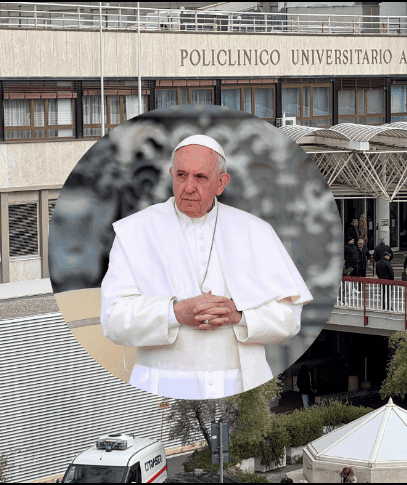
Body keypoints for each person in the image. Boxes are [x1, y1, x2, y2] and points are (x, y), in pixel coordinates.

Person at [101, 134, 312, 399]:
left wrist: (238, 314)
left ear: (221, 183)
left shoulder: (255, 231)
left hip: (241, 385)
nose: (188, 187)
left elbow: (289, 319)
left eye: (200, 177)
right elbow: (112, 319)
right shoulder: (135, 231)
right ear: (171, 175)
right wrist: (175, 312)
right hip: (162, 386)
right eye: (181, 175)